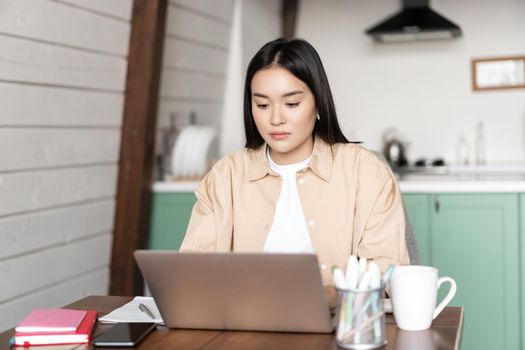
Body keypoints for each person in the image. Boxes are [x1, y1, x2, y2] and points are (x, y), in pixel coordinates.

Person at [180, 38, 409, 304]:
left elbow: (385, 269)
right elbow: (192, 270)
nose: (275, 119)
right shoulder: (225, 176)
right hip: (246, 323)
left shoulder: (366, 172)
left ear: (318, 103)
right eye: (263, 105)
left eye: (291, 104)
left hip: (339, 325)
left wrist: (322, 297)